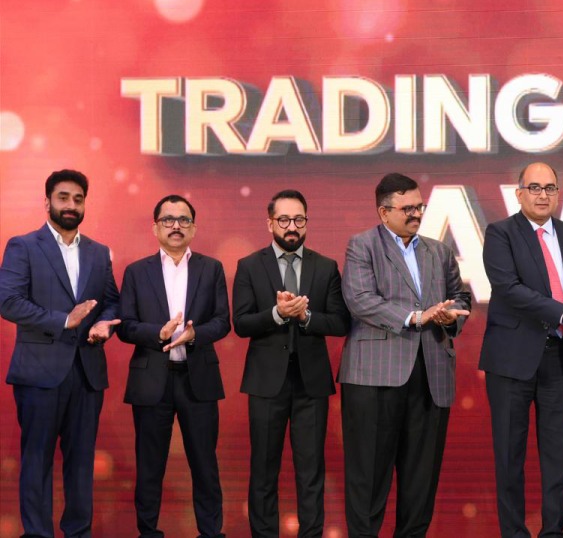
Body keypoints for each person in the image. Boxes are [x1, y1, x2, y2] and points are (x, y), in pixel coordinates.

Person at [339, 173, 471, 537]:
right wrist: (416, 317)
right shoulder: (362, 245)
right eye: (407, 208)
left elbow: (461, 297)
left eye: (419, 206)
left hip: (431, 376)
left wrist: (449, 314)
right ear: (384, 212)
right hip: (374, 378)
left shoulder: (438, 250)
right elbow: (360, 300)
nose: (416, 214)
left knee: (420, 480)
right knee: (368, 478)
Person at [480, 162, 563, 538]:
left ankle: (553, 532)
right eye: (535, 187)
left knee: (557, 457)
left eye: (550, 188)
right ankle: (514, 533)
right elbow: (509, 289)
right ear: (519, 194)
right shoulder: (500, 233)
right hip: (512, 360)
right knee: (509, 456)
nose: (543, 195)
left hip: (560, 357)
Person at [0, 169, 120, 538]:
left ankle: (78, 532)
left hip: (86, 371)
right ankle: (37, 533)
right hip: (39, 372)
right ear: (48, 201)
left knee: (81, 461)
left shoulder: (99, 252)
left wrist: (104, 324)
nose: (71, 205)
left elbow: (111, 301)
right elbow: (9, 301)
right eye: (63, 197)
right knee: (36, 459)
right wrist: (64, 320)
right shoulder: (23, 245)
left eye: (78, 199)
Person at [232, 189, 351, 538]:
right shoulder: (249, 266)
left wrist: (306, 315)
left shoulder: (325, 266)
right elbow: (240, 323)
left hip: (311, 384)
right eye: (284, 220)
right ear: (270, 222)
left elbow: (340, 322)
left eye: (299, 219)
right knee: (263, 470)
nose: (292, 227)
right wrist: (277, 314)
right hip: (266, 383)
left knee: (311, 471)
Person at [117, 194, 231, 538]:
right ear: (155, 228)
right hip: (152, 380)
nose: (176, 226)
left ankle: (211, 533)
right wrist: (159, 333)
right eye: (168, 220)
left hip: (198, 379)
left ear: (194, 228)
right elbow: (125, 326)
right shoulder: (137, 272)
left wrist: (194, 335)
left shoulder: (211, 269)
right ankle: (148, 531)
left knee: (205, 465)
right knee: (150, 465)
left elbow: (223, 321)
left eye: (183, 220)